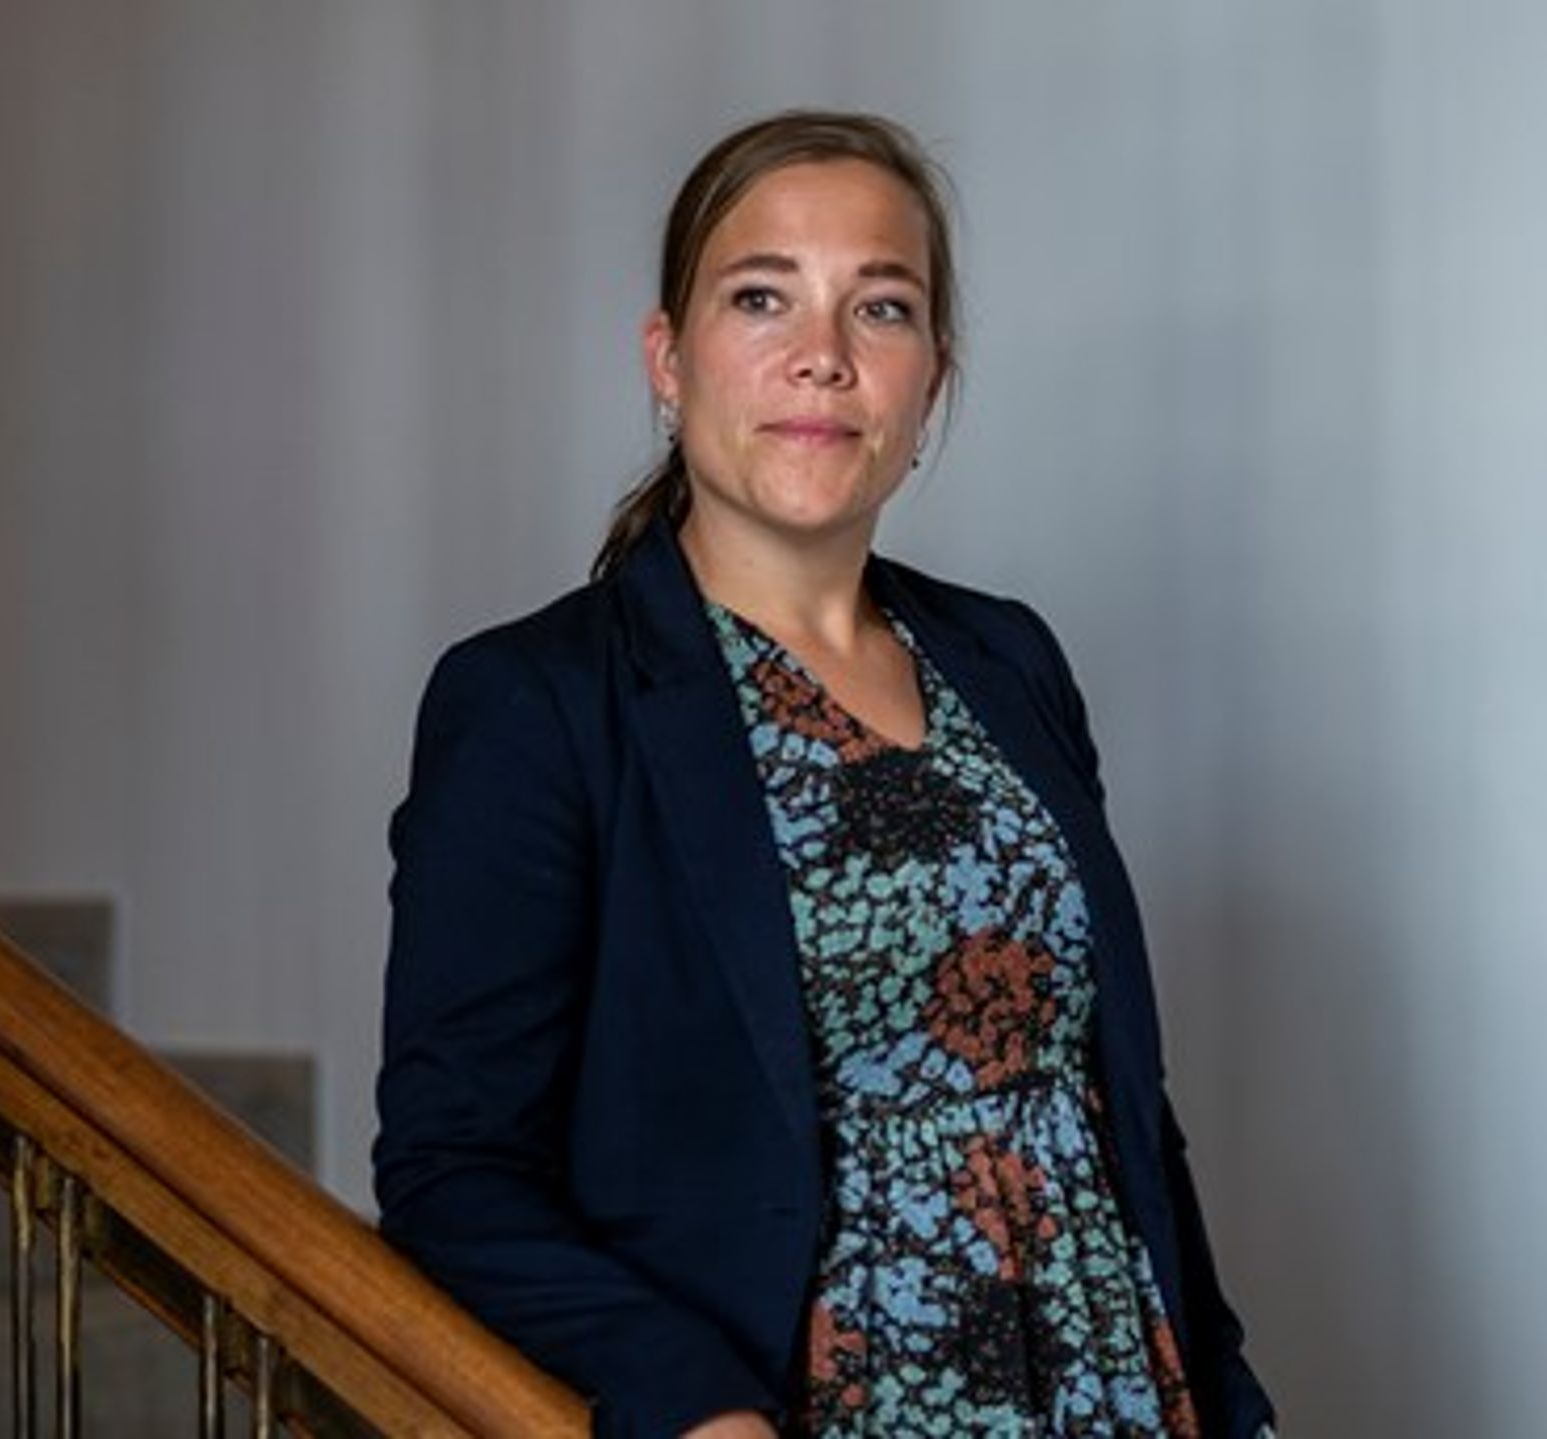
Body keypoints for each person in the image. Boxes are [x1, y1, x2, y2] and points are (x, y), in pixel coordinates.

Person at [372, 111, 1277, 1438]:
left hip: (1120, 1394)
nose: (824, 355)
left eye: (882, 307)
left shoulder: (1009, 659)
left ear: (932, 382)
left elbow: (1118, 1103)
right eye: (762, 298)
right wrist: (691, 1406)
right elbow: (453, 1170)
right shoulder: (537, 704)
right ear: (668, 359)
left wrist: (1233, 1398)